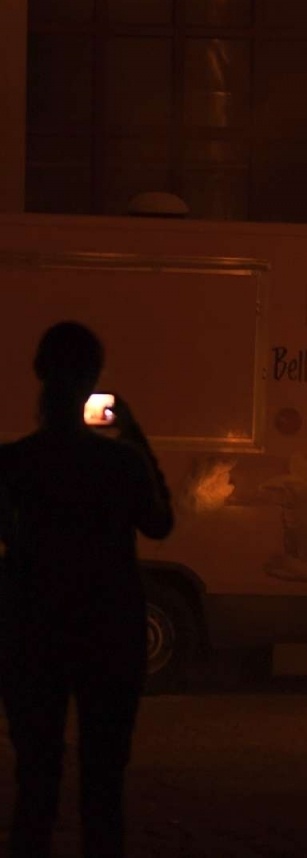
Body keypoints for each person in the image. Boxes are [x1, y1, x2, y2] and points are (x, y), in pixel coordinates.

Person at [0, 322, 174, 858]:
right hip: (108, 633)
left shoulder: (13, 462)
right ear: (95, 378)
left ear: (39, 373)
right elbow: (160, 522)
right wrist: (135, 434)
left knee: (35, 784)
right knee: (103, 788)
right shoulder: (119, 463)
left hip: (33, 631)